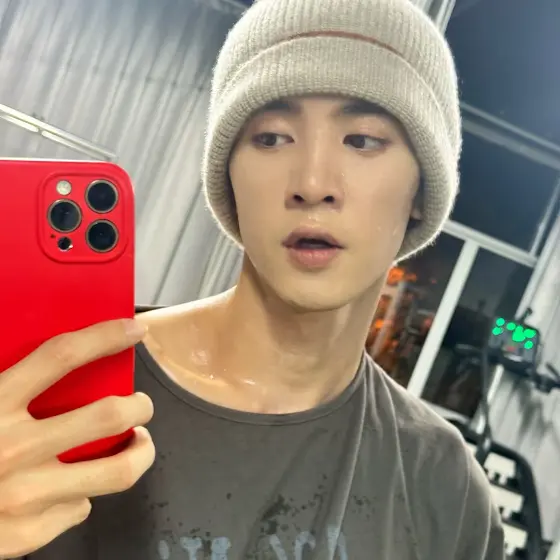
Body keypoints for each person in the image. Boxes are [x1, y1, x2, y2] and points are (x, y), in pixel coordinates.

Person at [0, 0, 506, 558]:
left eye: (362, 139)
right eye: (271, 137)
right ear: (229, 175)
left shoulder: (444, 488)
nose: (312, 183)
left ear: (422, 190)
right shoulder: (40, 392)